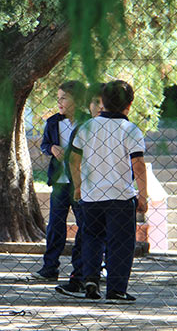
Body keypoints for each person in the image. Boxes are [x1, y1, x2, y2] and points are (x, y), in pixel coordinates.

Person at [69, 80, 148, 303]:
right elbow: (138, 164)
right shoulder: (130, 129)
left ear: (102, 102)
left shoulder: (87, 127)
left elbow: (74, 159)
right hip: (120, 196)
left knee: (92, 237)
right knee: (120, 243)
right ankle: (116, 289)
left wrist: (78, 185)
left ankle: (91, 279)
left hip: (91, 195)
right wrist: (142, 195)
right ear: (129, 105)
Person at [32, 81, 86, 281]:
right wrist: (52, 148)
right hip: (59, 182)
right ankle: (50, 267)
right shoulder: (53, 122)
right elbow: (45, 145)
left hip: (80, 182)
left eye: (64, 98)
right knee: (55, 224)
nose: (59, 102)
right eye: (58, 98)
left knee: (85, 224)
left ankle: (81, 267)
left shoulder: (88, 122)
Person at [55, 83, 104, 297]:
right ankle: (80, 278)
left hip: (112, 193)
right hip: (86, 192)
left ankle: (104, 280)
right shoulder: (83, 128)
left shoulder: (121, 128)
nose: (100, 107)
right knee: (85, 235)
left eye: (105, 102)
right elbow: (72, 160)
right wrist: (79, 186)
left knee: (105, 238)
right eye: (96, 102)